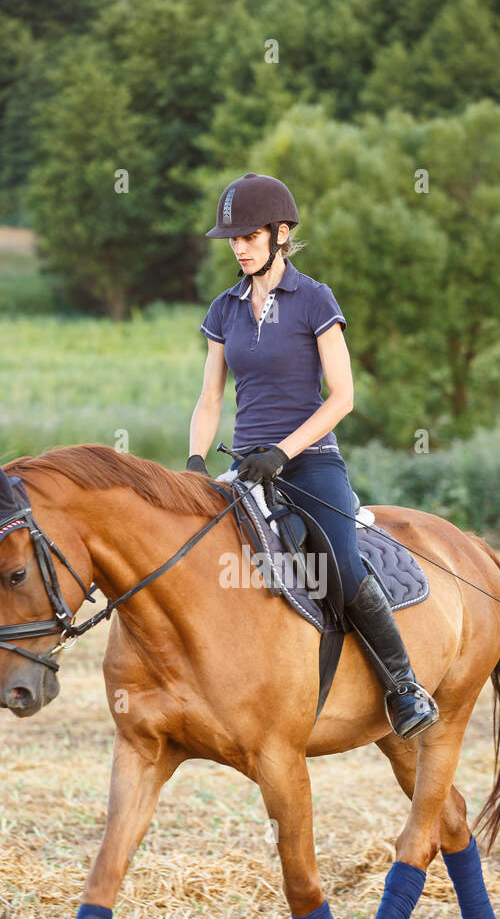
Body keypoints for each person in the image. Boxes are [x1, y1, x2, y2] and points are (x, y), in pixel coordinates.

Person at [188, 172, 438, 739]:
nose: (239, 247)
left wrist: (282, 452)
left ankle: (402, 687)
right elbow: (208, 399)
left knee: (339, 567)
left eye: (248, 236)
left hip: (309, 460)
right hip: (246, 465)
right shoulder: (224, 308)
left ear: (280, 234)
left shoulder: (314, 299)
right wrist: (196, 464)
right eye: (232, 239)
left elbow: (344, 397)